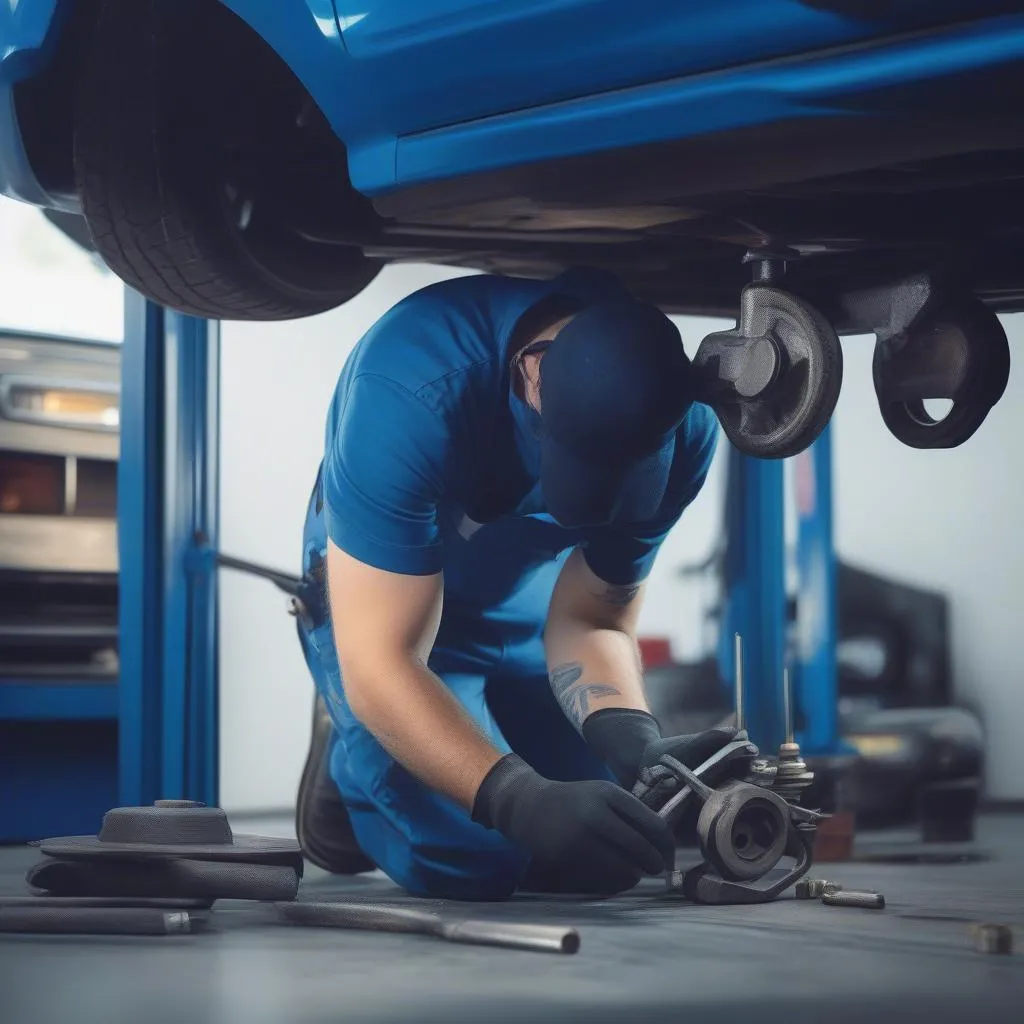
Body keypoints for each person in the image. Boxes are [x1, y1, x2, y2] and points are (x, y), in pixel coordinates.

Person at [294, 267, 734, 900]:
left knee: (608, 847)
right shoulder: (409, 390)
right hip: (381, 604)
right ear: (532, 373)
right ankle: (349, 763)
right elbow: (383, 659)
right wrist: (512, 796)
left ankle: (423, 724)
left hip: (523, 598)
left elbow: (593, 617)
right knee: (479, 859)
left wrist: (633, 739)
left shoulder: (685, 425)